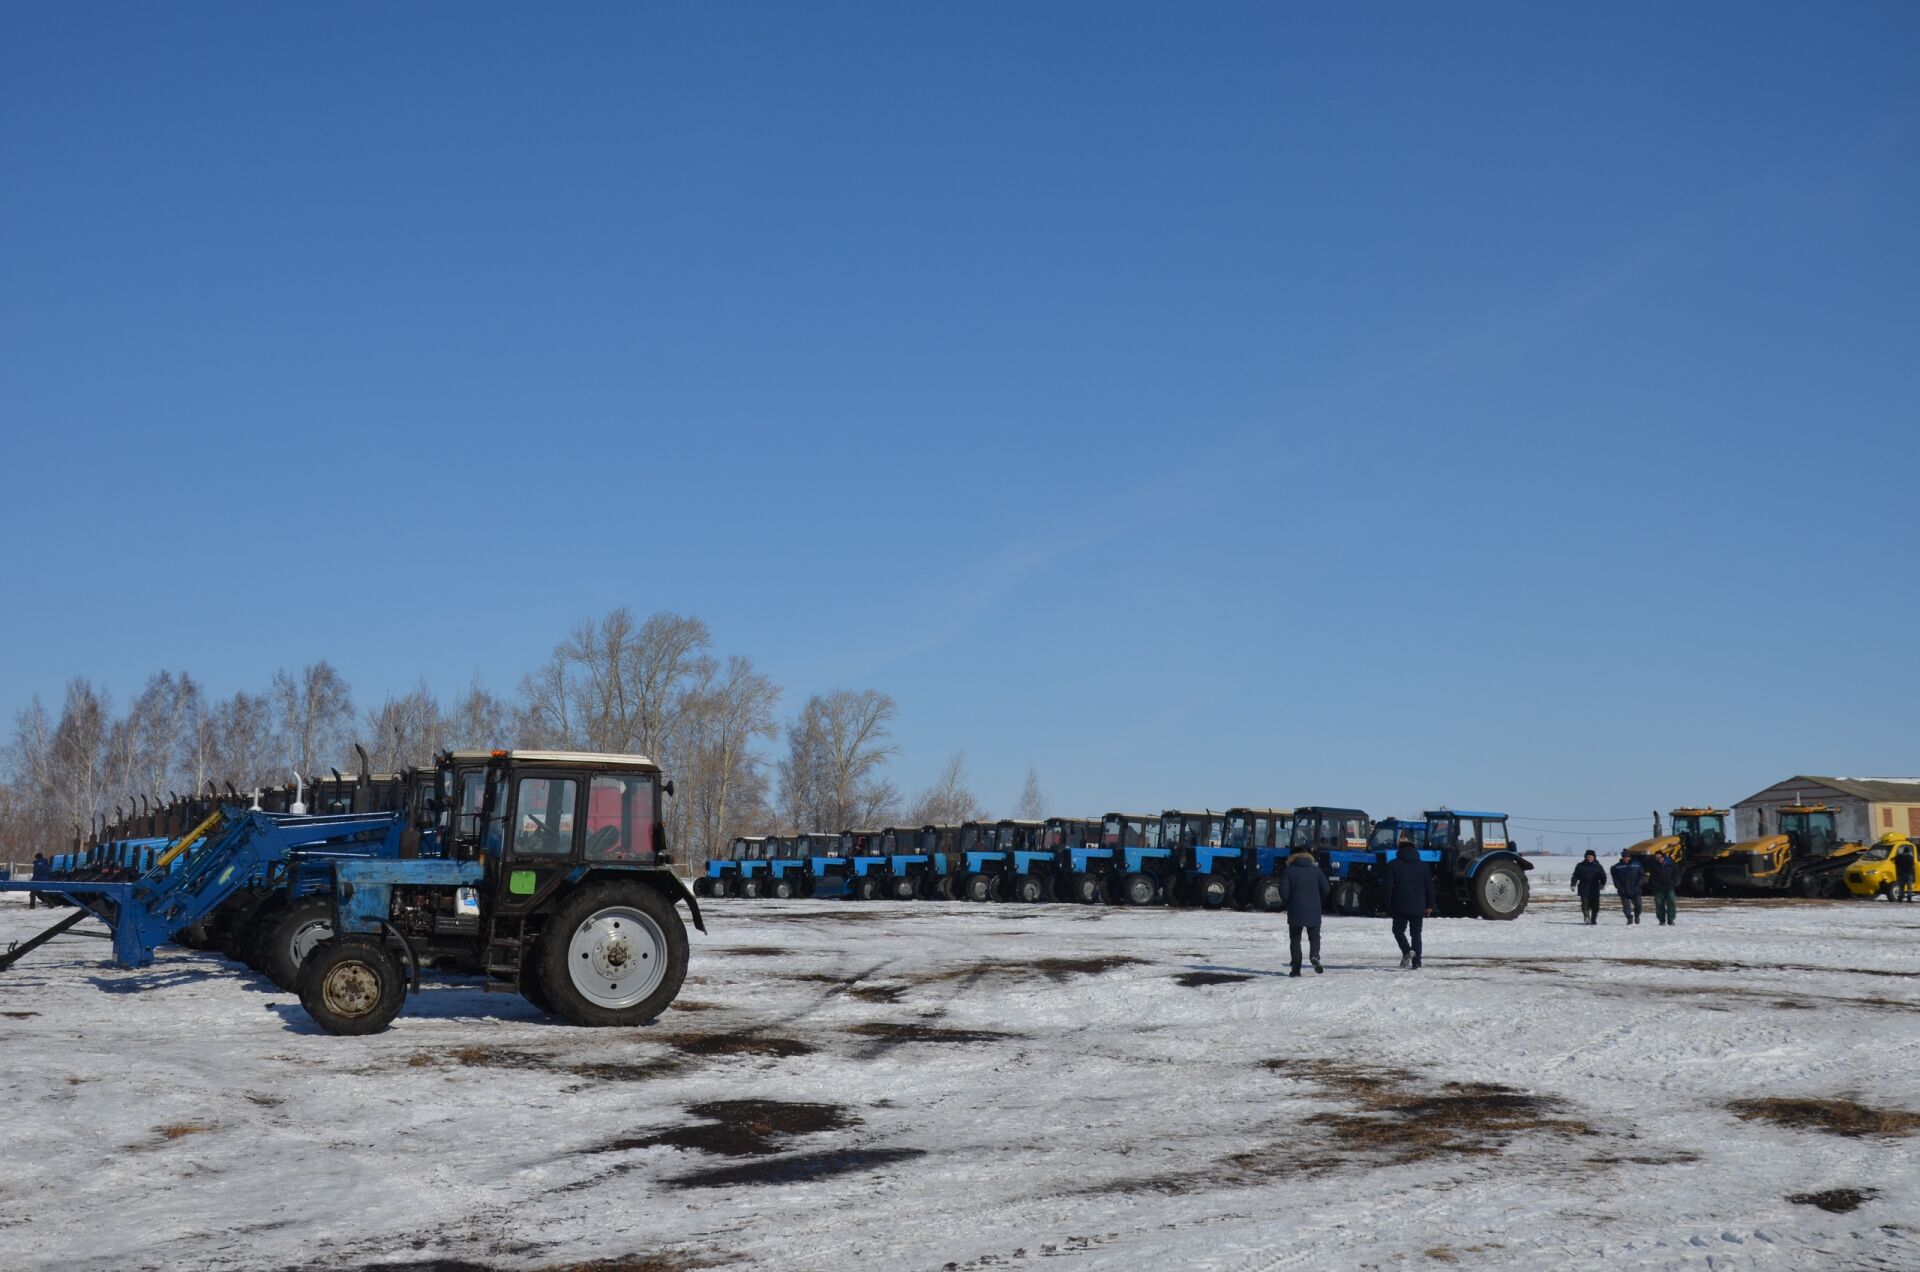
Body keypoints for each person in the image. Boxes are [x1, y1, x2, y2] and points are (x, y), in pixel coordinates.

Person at [1381, 842, 1435, 968]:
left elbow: (1388, 887)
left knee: (1398, 930)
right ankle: (1417, 961)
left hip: (1399, 906)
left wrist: (1386, 904)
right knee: (1416, 934)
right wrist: (1430, 905)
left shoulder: (1393, 865)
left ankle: (1407, 951)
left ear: (1399, 850)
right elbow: (1430, 888)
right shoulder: (1423, 866)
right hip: (1418, 906)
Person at [1277, 849, 1330, 976]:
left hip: (1295, 909)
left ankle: (1296, 969)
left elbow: (1283, 892)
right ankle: (1314, 956)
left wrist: (1289, 902)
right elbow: (1326, 889)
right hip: (1314, 909)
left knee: (1295, 939)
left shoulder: (1288, 871)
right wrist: (1317, 899)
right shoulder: (1316, 871)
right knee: (1314, 937)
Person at [1570, 849, 1607, 925]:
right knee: (1585, 904)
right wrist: (1573, 884)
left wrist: (1602, 884)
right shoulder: (1580, 865)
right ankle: (1587, 917)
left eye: (1591, 857)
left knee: (1595, 906)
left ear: (1594, 857)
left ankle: (1593, 920)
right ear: (1585, 857)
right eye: (1588, 857)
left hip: (1595, 889)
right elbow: (1575, 876)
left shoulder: (1598, 866)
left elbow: (1603, 876)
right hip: (1583, 888)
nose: (1589, 858)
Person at [1645, 851, 1680, 926]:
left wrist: (1674, 883)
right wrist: (1653, 885)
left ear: (1663, 857)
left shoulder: (1671, 864)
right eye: (1657, 858)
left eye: (1660, 857)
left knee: (1671, 903)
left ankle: (1671, 920)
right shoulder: (1653, 865)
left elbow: (1676, 874)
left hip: (1669, 887)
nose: (1658, 859)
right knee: (1659, 904)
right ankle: (1661, 920)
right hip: (1658, 888)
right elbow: (1652, 877)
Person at [1610, 850, 1644, 925]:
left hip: (1635, 889)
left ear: (1630, 857)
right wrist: (1619, 887)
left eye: (1627, 857)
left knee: (1639, 906)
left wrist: (1639, 885)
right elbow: (1615, 879)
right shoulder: (1617, 867)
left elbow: (1641, 876)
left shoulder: (1637, 865)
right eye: (1624, 857)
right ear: (1622, 857)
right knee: (1626, 907)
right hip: (1623, 889)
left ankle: (1637, 915)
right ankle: (1629, 918)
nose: (1626, 858)